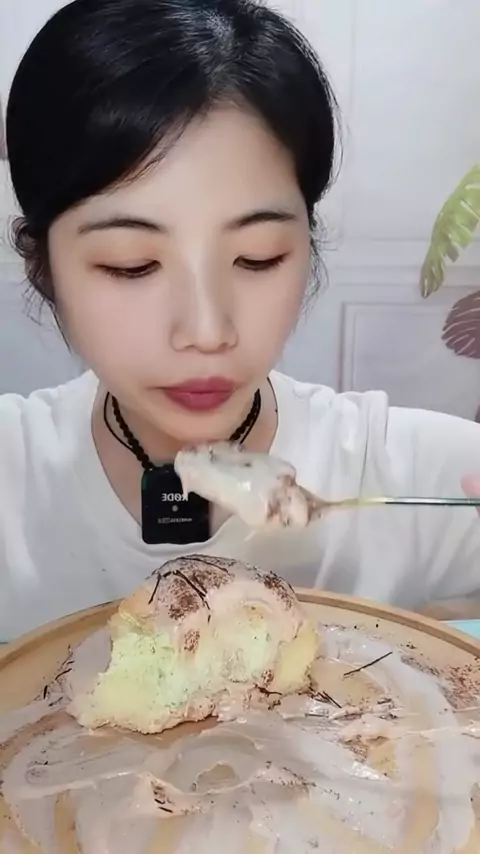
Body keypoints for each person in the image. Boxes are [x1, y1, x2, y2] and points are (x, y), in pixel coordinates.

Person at [1, 0, 480, 642]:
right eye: (131, 264)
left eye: (258, 257)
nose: (207, 332)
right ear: (43, 267)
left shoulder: (413, 474)